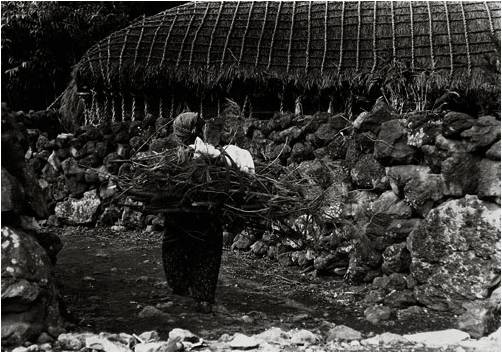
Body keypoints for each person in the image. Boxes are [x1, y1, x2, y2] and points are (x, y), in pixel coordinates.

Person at [161, 112, 254, 313]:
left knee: (174, 247)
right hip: (208, 215)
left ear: (179, 133)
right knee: (207, 253)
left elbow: (164, 190)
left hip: (180, 215)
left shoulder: (172, 159)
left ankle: (181, 292)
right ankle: (204, 299)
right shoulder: (217, 155)